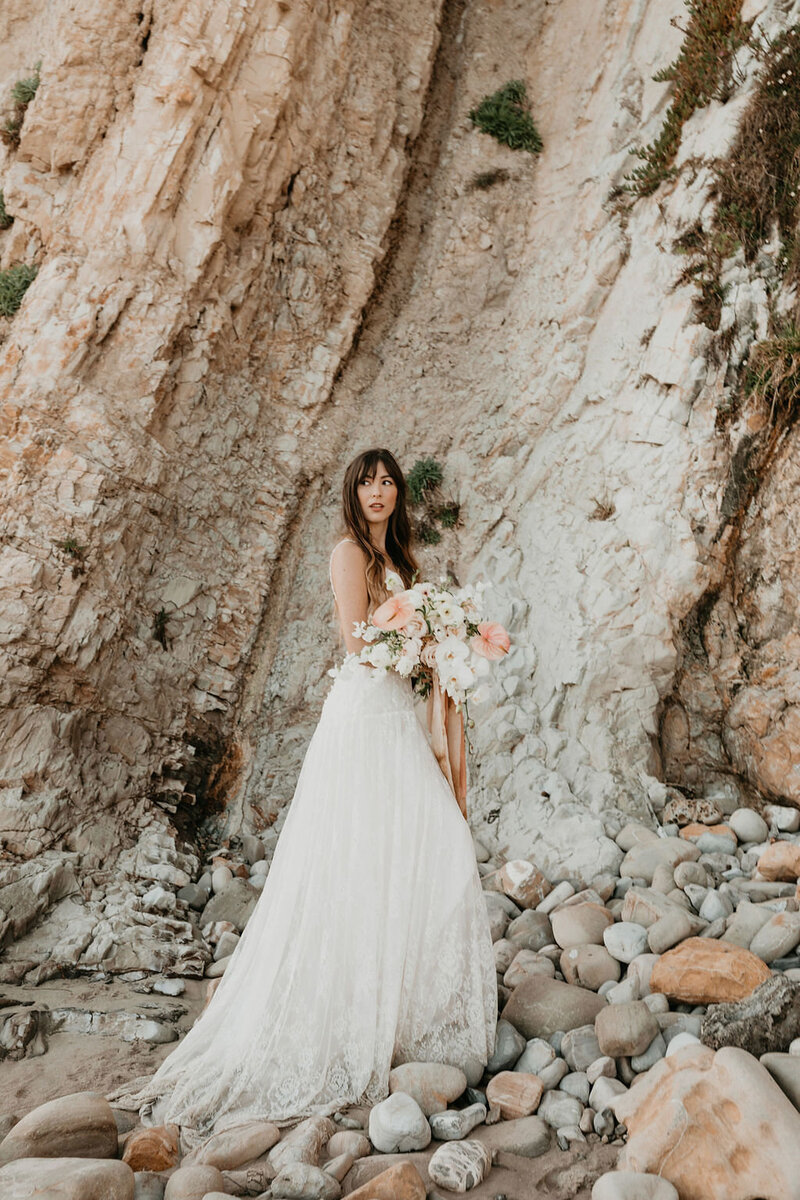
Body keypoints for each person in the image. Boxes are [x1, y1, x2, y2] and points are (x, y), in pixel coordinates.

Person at [117, 447, 498, 1145]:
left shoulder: (403, 563)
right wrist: (419, 635)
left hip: (397, 721)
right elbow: (357, 644)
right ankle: (350, 1019)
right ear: (353, 492)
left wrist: (443, 644)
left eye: (388, 483)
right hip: (361, 719)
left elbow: (400, 642)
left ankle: (407, 1012)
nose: (379, 492)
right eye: (368, 482)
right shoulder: (348, 552)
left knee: (428, 845)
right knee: (352, 859)